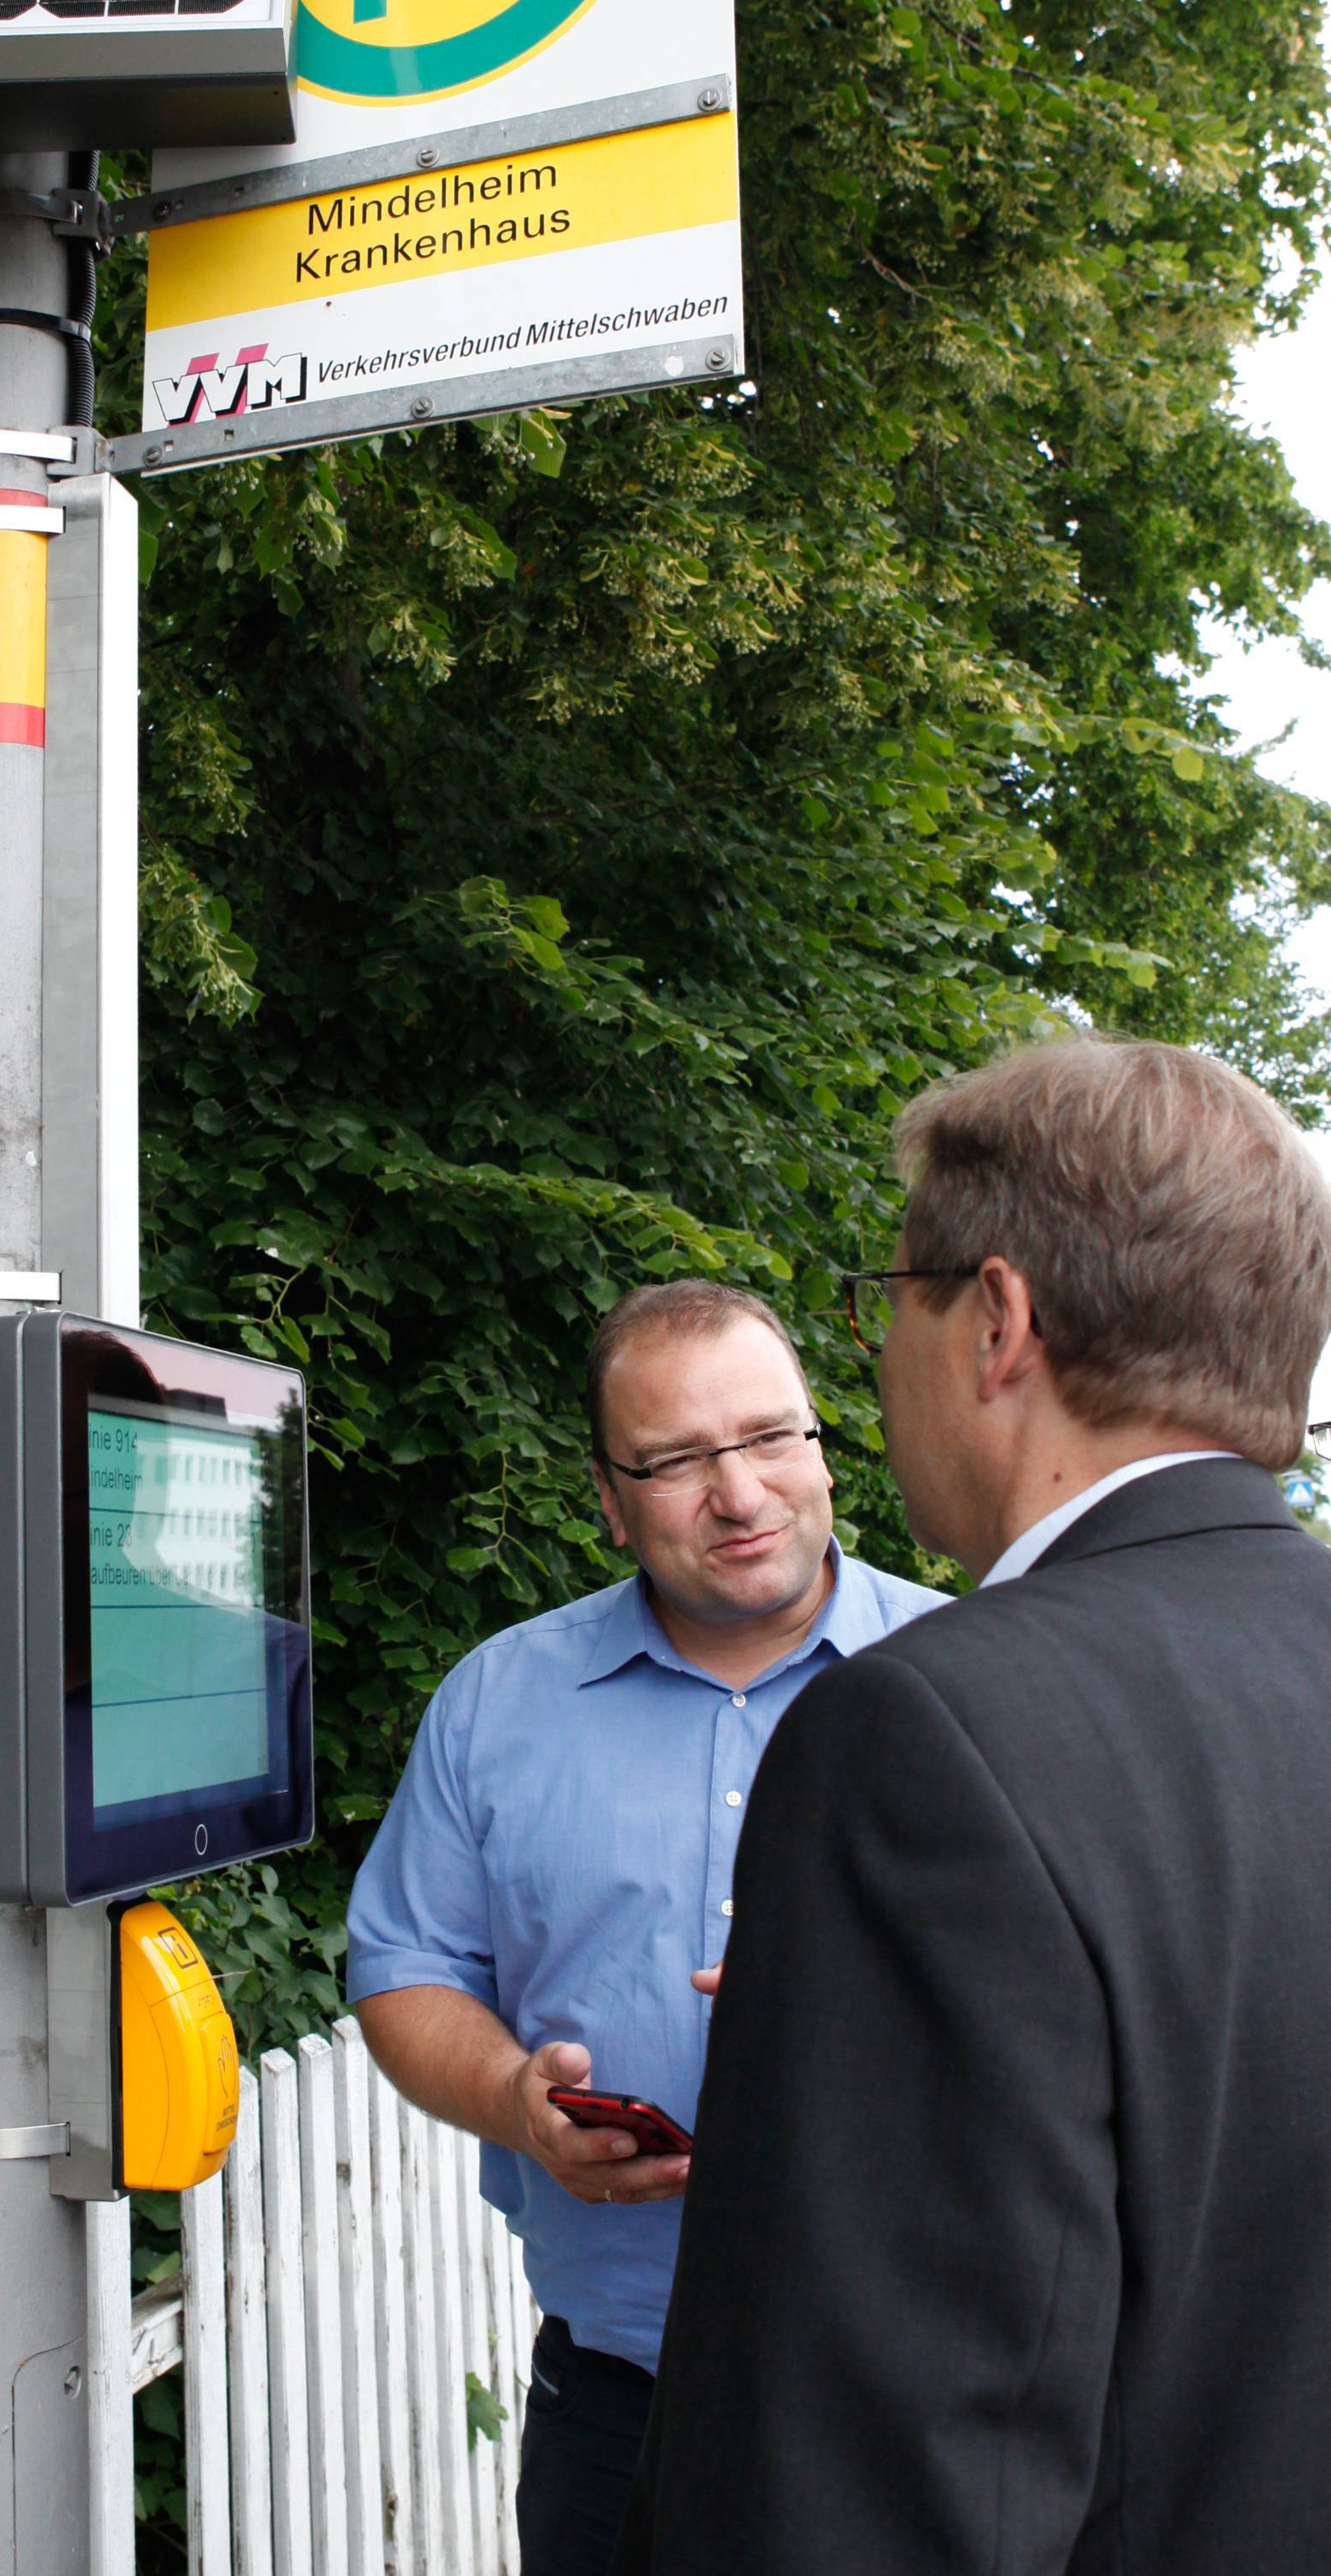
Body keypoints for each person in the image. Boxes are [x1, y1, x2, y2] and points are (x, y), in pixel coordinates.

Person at [613, 1035, 1331, 2576]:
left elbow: (849, 2491)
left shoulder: (928, 1734)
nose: (879, 1362)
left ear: (994, 1320)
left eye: (891, 1302)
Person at [343, 1278, 941, 2576]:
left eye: (770, 1438)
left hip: (925, 2405)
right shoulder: (498, 1703)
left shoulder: (975, 1679)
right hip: (620, 2406)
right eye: (674, 1462)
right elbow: (404, 1967)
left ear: (818, 1444)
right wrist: (512, 2096)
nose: (738, 1495)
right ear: (608, 1500)